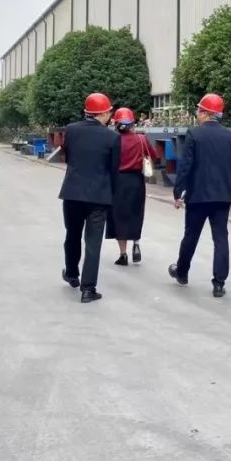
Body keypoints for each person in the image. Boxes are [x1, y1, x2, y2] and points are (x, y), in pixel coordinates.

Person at [168, 94, 231, 297]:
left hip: (198, 195)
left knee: (191, 235)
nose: (197, 114)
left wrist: (178, 192)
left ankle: (182, 272)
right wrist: (229, 185)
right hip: (222, 195)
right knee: (221, 238)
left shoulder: (194, 134)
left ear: (205, 113)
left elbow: (186, 166)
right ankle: (219, 282)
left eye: (199, 110)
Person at [59, 92, 121, 304]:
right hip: (98, 196)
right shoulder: (112, 137)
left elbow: (67, 157)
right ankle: (88, 289)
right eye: (109, 112)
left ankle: (71, 274)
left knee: (72, 234)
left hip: (72, 192)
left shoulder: (71, 130)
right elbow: (114, 170)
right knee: (93, 243)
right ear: (103, 113)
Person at [107, 107, 160, 266]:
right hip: (136, 181)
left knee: (119, 216)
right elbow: (155, 156)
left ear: (116, 123)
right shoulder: (141, 139)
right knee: (136, 213)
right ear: (132, 123)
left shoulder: (113, 140)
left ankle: (123, 254)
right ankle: (136, 242)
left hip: (118, 181)